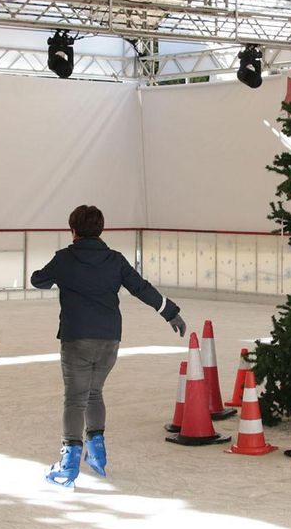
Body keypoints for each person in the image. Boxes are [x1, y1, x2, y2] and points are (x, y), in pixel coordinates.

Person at [31, 205, 185, 488]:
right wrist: (169, 311)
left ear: (73, 230)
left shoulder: (65, 259)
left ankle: (68, 465)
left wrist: (56, 272)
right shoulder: (115, 260)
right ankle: (97, 452)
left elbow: (38, 280)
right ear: (101, 230)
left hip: (76, 339)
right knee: (94, 392)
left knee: (76, 398)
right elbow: (141, 287)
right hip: (109, 340)